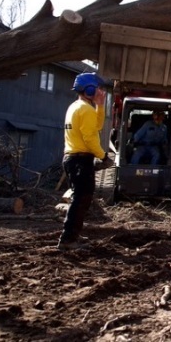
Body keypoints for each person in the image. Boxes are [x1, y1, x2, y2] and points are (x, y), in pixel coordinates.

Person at [58, 72, 108, 251]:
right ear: (89, 89)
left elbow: (97, 126)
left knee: (81, 199)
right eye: (98, 89)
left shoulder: (77, 107)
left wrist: (100, 106)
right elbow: (90, 139)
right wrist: (103, 156)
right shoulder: (85, 109)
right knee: (81, 199)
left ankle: (73, 234)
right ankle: (68, 239)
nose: (101, 92)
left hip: (73, 159)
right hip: (80, 159)